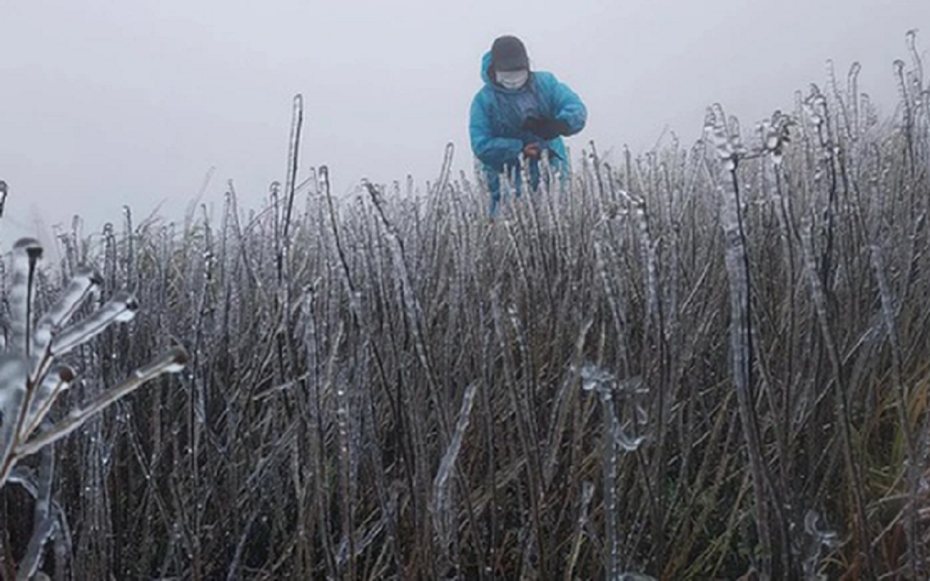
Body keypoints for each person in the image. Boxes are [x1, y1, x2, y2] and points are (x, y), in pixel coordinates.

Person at [469, 35, 587, 218]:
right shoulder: (484, 101)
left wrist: (559, 124)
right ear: (494, 71)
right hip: (506, 185)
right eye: (507, 76)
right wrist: (519, 150)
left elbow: (576, 109)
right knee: (511, 238)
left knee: (560, 229)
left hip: (553, 174)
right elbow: (481, 145)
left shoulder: (545, 84)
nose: (514, 80)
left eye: (518, 74)